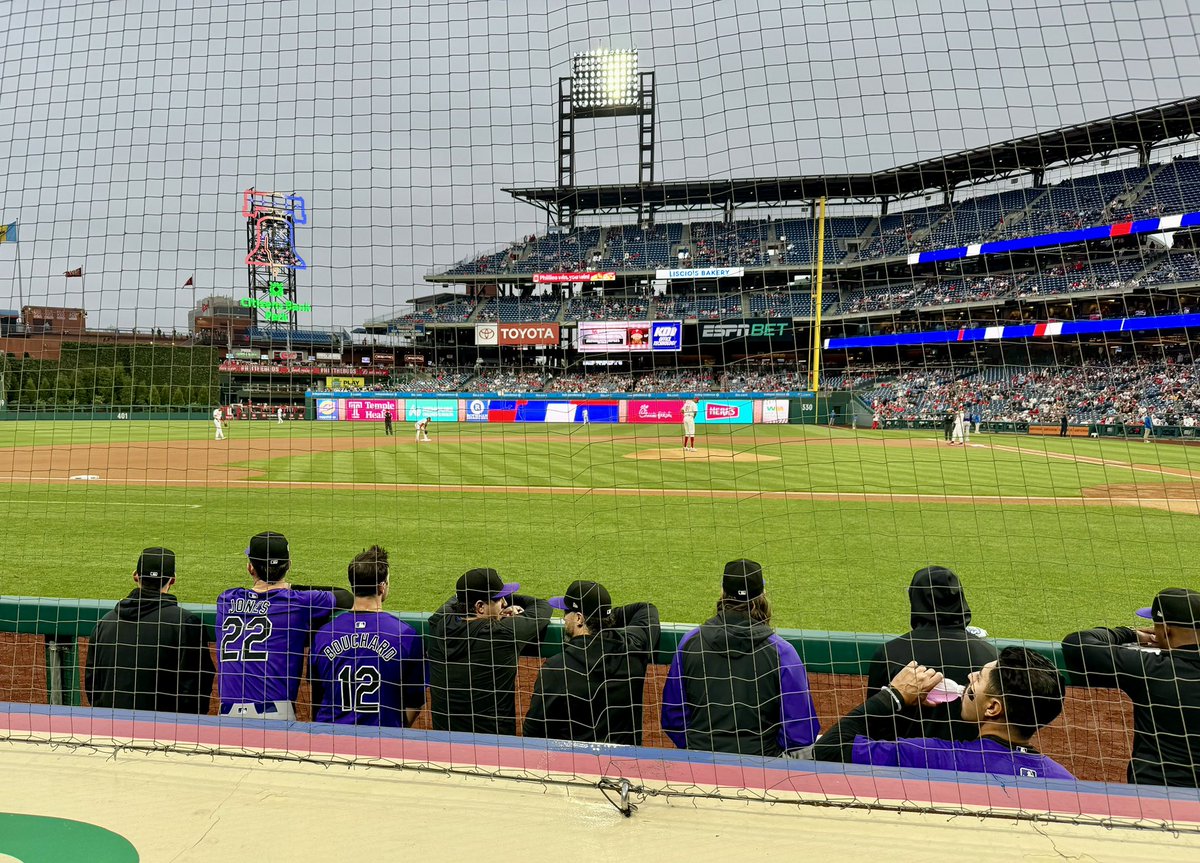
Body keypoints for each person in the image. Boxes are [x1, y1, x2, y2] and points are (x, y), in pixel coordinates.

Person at [814, 648, 1073, 780]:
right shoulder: (1065, 781)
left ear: (992, 708)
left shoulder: (933, 757)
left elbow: (828, 750)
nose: (970, 676)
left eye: (979, 678)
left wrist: (893, 696)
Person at [661, 560, 820, 757]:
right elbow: (800, 734)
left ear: (723, 592)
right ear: (762, 595)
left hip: (699, 764)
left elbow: (673, 718)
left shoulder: (689, 643)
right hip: (763, 769)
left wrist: (698, 746)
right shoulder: (783, 652)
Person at [1062, 589, 1200, 787]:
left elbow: (1077, 643)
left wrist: (1130, 633)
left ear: (1166, 629)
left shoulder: (1150, 668)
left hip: (1155, 795)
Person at [215, 531, 353, 720]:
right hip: (275, 717)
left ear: (250, 568)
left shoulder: (226, 600)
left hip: (226, 718)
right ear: (288, 565)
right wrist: (289, 587)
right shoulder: (297, 602)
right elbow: (345, 597)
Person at [865, 567, 998, 741]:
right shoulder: (992, 657)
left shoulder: (891, 652)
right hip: (972, 762)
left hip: (905, 760)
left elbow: (875, 718)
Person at [523, 581, 660, 745]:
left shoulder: (557, 668)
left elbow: (533, 732)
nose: (564, 618)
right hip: (625, 764)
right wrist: (602, 618)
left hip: (576, 766)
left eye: (567, 613)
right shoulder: (634, 648)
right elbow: (646, 609)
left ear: (579, 618)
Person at [85, 547, 215, 714]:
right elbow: (195, 689)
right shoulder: (186, 623)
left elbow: (92, 684)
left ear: (135, 576)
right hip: (165, 732)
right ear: (173, 580)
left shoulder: (105, 623)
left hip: (111, 729)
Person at [426, 568, 551, 735]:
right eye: (499, 599)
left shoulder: (437, 625)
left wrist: (495, 607)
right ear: (480, 607)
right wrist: (509, 606)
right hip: (493, 749)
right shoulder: (501, 634)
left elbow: (454, 600)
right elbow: (542, 606)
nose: (505, 603)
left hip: (444, 746)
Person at [311, 545, 426, 727]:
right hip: (382, 739)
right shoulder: (405, 635)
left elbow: (318, 693)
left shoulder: (324, 634)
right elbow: (414, 701)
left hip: (331, 737)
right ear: (382, 587)